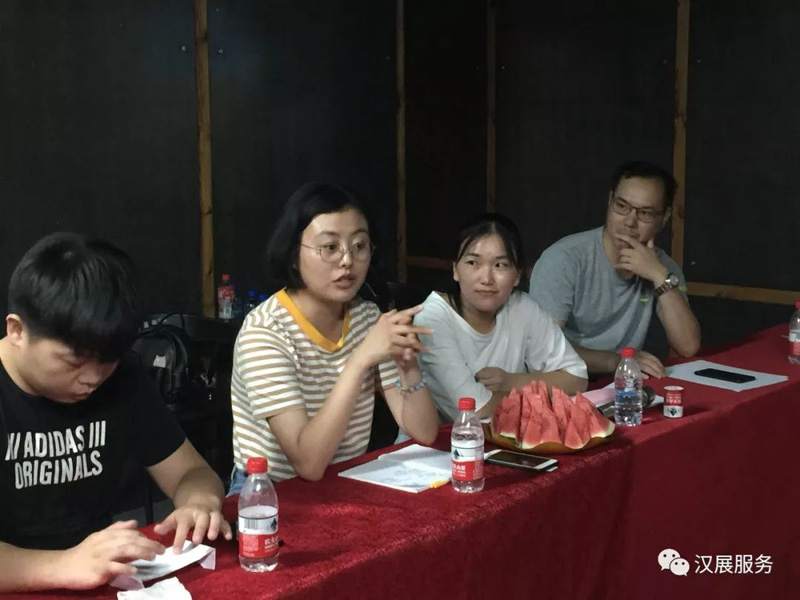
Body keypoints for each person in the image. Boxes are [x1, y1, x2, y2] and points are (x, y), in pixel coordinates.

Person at [0, 233, 231, 593]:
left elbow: (191, 472)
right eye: (73, 362)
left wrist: (199, 503)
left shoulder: (123, 379)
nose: (92, 379)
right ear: (17, 330)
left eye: (107, 362)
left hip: (99, 576)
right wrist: (61, 565)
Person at [229, 182, 438, 487]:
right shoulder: (265, 332)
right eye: (329, 247)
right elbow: (309, 464)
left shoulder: (366, 316)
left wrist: (408, 368)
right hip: (269, 492)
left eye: (359, 246)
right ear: (293, 254)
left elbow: (424, 432)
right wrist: (360, 360)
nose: (347, 260)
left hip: (344, 481)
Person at [528, 161, 701, 377]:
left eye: (645, 213)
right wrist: (616, 361)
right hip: (565, 380)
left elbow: (688, 346)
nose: (630, 222)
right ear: (610, 201)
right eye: (622, 206)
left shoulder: (663, 267)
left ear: (663, 218)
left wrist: (659, 276)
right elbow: (543, 349)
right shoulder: (564, 258)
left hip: (624, 383)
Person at [414, 214, 587, 422]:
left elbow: (577, 377)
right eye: (473, 263)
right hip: (439, 441)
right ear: (455, 270)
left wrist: (512, 382)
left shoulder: (521, 307)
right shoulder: (432, 319)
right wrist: (538, 394)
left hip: (505, 437)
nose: (486, 279)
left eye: (500, 265)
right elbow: (474, 408)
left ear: (517, 276)